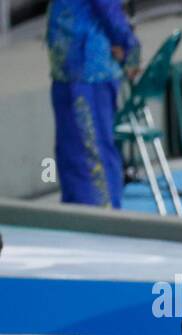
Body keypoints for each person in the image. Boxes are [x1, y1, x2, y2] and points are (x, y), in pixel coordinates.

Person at [46, 0, 140, 208]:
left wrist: (129, 47)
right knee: (73, 155)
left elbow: (107, 7)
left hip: (88, 71)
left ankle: (101, 220)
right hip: (71, 69)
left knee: (90, 155)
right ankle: (79, 217)